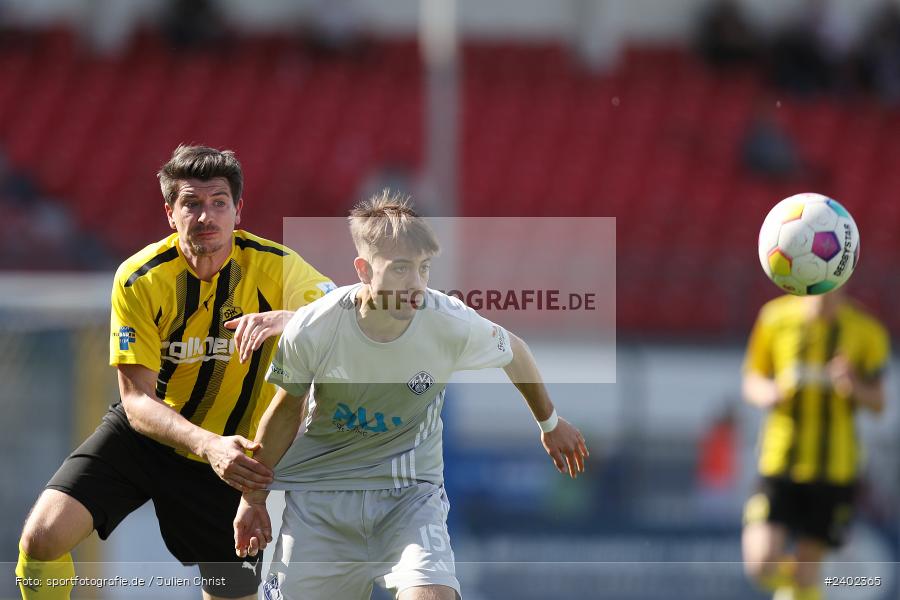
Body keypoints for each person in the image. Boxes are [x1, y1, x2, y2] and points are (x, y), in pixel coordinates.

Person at [232, 191, 589, 600]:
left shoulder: (448, 321)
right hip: (321, 502)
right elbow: (284, 414)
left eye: (424, 268)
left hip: (408, 498)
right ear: (364, 270)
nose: (416, 284)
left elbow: (515, 351)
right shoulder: (314, 326)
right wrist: (253, 498)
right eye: (401, 268)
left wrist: (549, 423)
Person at [16, 145, 334, 600]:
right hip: (149, 437)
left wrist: (290, 319)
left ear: (238, 211)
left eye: (219, 202)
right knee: (42, 539)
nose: (206, 216)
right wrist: (206, 444)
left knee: (229, 593)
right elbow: (136, 401)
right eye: (191, 203)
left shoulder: (277, 267)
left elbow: (346, 313)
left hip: (234, 459)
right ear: (170, 213)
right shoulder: (140, 278)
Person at [741, 288, 888, 600]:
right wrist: (770, 392)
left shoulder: (866, 330)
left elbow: (879, 402)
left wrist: (853, 385)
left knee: (807, 573)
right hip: (780, 461)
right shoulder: (775, 318)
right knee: (761, 564)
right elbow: (751, 380)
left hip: (834, 470)